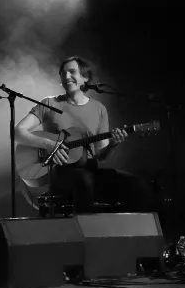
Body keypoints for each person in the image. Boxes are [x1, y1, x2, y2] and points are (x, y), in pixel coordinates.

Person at [15, 56, 156, 214]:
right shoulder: (49, 103)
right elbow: (18, 132)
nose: (66, 76)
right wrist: (48, 144)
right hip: (60, 173)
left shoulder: (99, 108)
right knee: (83, 180)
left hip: (88, 169)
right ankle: (85, 233)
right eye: (63, 73)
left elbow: (100, 155)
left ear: (85, 78)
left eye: (72, 72)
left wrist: (113, 144)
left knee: (135, 184)